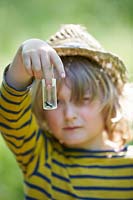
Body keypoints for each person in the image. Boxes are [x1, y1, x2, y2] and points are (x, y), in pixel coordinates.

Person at [0, 24, 133, 200]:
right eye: (55, 102)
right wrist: (24, 59)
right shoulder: (39, 156)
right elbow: (10, 114)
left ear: (109, 101)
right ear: (42, 109)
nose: (69, 115)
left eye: (83, 99)